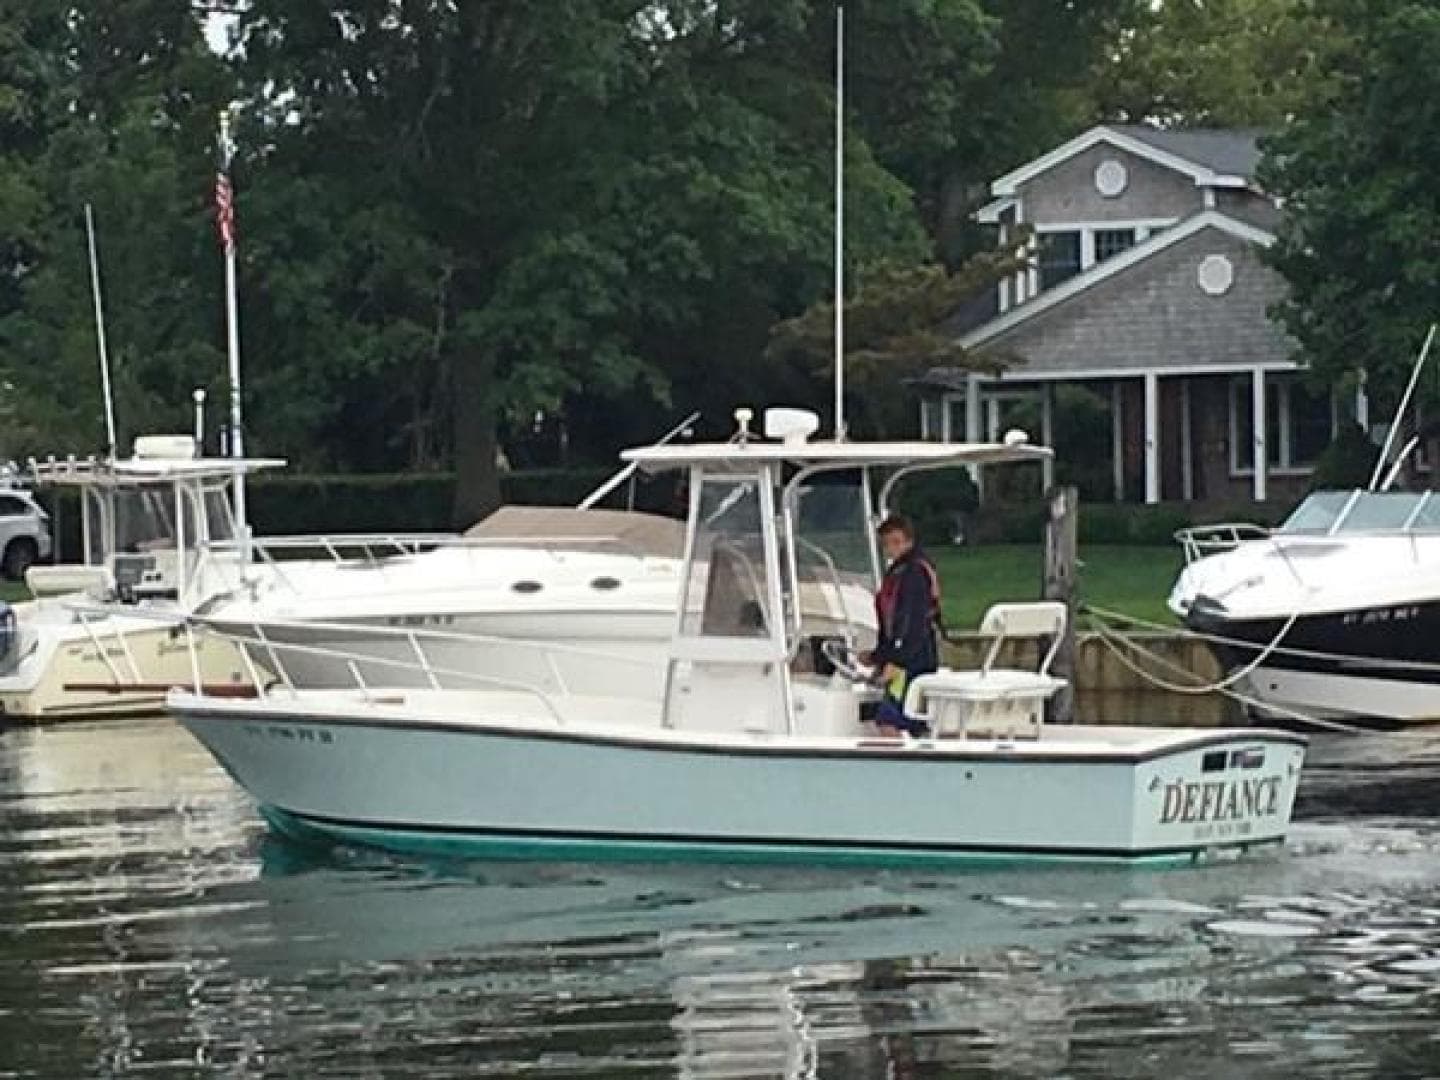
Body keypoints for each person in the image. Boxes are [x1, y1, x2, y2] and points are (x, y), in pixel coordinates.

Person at [866, 513, 941, 737]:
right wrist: (877, 656)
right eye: (887, 544)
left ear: (909, 541)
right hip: (914, 656)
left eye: (896, 542)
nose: (891, 549)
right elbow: (892, 622)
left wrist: (896, 661)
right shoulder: (901, 571)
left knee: (888, 720)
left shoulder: (914, 573)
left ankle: (901, 765)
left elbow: (911, 622)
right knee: (914, 720)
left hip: (911, 661)